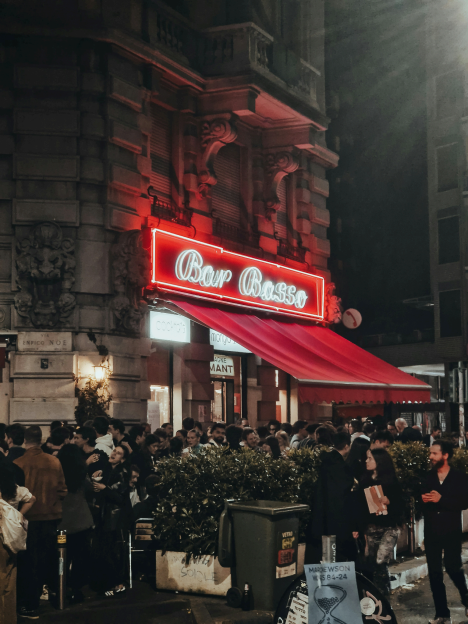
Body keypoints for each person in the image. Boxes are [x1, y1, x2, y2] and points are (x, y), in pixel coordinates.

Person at [14, 426, 67, 618]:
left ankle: (29, 602)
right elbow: (62, 490)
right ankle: (46, 594)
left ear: (26, 440)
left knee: (28, 562)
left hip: (28, 517)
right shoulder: (54, 462)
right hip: (51, 516)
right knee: (46, 558)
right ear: (41, 438)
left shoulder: (19, 463)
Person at [421, 439, 468, 624]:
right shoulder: (428, 476)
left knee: (453, 567)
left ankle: (466, 599)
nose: (431, 457)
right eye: (430, 453)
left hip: (451, 530)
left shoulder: (459, 477)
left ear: (445, 455)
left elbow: (464, 503)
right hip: (431, 530)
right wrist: (423, 500)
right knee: (434, 572)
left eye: (434, 453)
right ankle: (442, 614)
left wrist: (441, 499)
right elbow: (421, 497)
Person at [352, 449, 404, 595]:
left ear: (379, 461)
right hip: (371, 528)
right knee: (372, 563)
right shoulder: (364, 481)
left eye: (370, 458)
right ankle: (375, 597)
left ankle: (384, 596)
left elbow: (401, 506)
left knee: (381, 560)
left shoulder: (391, 482)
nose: (366, 461)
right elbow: (359, 508)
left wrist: (390, 502)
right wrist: (357, 528)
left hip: (389, 528)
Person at [307, 431, 354, 564]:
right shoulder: (342, 467)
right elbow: (344, 489)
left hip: (321, 511)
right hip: (337, 514)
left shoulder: (324, 461)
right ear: (346, 446)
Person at [91, 445, 131, 597]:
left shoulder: (122, 472)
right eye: (115, 451)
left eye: (118, 453)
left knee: (112, 550)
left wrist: (103, 488)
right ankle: (107, 583)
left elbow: (119, 496)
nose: (114, 454)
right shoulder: (107, 469)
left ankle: (116, 583)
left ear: (123, 459)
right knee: (104, 549)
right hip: (104, 515)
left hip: (114, 518)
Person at [57, 444, 94, 605]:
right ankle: (76, 588)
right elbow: (90, 490)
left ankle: (60, 586)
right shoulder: (81, 475)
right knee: (80, 558)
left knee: (62, 558)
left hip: (61, 522)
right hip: (81, 521)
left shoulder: (58, 474)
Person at [0, 463, 35, 624]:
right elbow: (31, 498)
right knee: (10, 582)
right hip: (12, 540)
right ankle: (9, 619)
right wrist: (20, 515)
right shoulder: (15, 489)